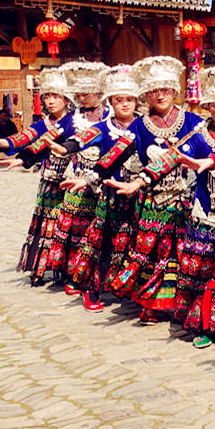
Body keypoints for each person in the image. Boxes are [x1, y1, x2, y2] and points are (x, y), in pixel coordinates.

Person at [113, 66, 215, 348]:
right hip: (202, 210)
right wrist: (139, 180)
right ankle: (201, 322)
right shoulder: (199, 134)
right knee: (201, 271)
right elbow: (171, 157)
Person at [98, 56, 202, 324]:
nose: (160, 96)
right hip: (154, 198)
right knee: (154, 250)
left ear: (175, 92)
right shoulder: (139, 125)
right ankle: (153, 303)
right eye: (154, 91)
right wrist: (92, 175)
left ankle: (185, 303)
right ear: (147, 94)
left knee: (187, 251)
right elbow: (117, 152)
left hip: (188, 198)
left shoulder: (193, 121)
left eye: (166, 90)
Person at [0, 69, 76, 284]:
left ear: (66, 98)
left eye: (55, 96)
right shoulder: (43, 125)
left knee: (73, 223)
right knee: (46, 223)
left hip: (76, 180)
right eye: (47, 96)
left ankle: (71, 269)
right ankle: (39, 268)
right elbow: (23, 138)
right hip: (51, 180)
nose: (50, 101)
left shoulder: (77, 121)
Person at [55, 65, 142, 312]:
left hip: (139, 193)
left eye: (129, 99)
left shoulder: (144, 126)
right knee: (103, 244)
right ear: (110, 102)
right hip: (111, 195)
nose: (124, 105)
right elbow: (81, 139)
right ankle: (91, 290)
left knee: (137, 243)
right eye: (118, 100)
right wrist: (66, 148)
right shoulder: (104, 128)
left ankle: (130, 290)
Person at [46, 61, 110, 296]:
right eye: (79, 93)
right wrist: (20, 153)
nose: (82, 98)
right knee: (77, 229)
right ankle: (75, 274)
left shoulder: (111, 114)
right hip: (77, 176)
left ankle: (103, 276)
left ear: (100, 92)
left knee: (103, 230)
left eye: (87, 93)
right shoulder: (71, 118)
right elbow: (44, 135)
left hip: (104, 178)